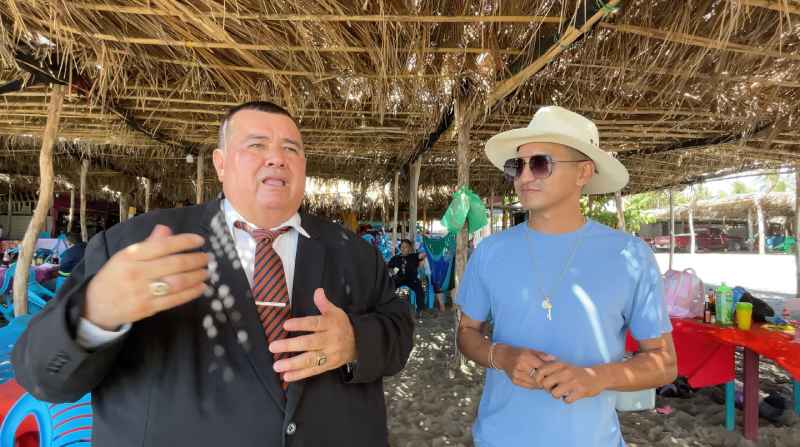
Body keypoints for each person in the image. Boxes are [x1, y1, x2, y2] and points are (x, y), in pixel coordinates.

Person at [13, 101, 414, 447]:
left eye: (290, 148)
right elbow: (40, 375)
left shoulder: (354, 253)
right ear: (220, 164)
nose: (276, 157)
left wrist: (355, 341)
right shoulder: (134, 244)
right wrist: (94, 313)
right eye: (257, 145)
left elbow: (399, 330)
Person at [456, 106, 677, 446]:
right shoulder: (490, 252)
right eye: (518, 165)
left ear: (583, 172)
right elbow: (467, 333)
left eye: (540, 163)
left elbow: (664, 362)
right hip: (499, 438)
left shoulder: (630, 256)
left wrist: (596, 377)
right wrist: (501, 356)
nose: (524, 177)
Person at [388, 239, 425, 319]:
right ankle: (388, 308)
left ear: (410, 249)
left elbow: (422, 255)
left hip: (411, 279)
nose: (404, 249)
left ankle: (419, 310)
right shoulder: (395, 258)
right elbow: (389, 268)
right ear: (400, 248)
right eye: (402, 247)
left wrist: (427, 248)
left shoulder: (414, 256)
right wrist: (392, 272)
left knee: (419, 288)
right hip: (398, 279)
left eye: (406, 247)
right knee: (389, 287)